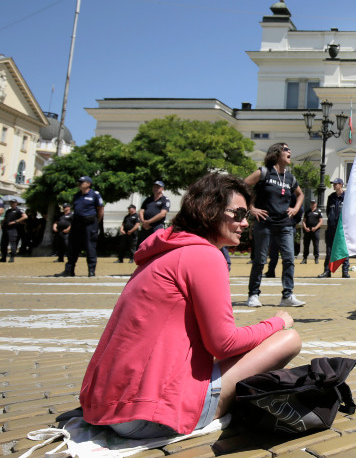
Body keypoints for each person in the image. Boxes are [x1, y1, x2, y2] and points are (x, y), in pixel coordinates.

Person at [79, 172, 302, 439]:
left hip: (108, 406)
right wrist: (277, 322)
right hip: (148, 416)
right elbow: (223, 343)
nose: (245, 223)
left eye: (247, 215)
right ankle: (213, 408)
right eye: (239, 213)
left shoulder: (165, 251)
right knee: (288, 339)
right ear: (211, 210)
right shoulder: (205, 255)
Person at [245, 143, 304, 307]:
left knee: (289, 259)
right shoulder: (263, 172)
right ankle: (253, 295)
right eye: (286, 149)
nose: (289, 151)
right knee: (260, 260)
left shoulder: (290, 178)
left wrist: (296, 208)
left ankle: (287, 295)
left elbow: (300, 195)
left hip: (285, 223)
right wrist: (252, 209)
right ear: (276, 153)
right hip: (264, 223)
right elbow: (243, 186)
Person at [56, 176, 104, 277]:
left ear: (88, 184)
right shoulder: (77, 195)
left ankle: (91, 271)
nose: (80, 184)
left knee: (90, 247)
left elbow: (100, 210)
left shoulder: (95, 195)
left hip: (90, 224)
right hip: (77, 224)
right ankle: (69, 270)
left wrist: (96, 222)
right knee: (72, 247)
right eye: (79, 182)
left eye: (82, 182)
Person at [319, 178, 350, 278]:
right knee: (329, 251)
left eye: (336, 184)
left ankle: (345, 271)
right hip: (331, 228)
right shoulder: (331, 197)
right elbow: (328, 212)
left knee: (344, 250)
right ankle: (327, 271)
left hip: (342, 229)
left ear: (341, 185)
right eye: (333, 184)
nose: (334, 185)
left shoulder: (347, 197)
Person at [138, 181, 171, 248]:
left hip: (157, 226)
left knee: (155, 246)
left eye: (158, 187)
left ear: (162, 189)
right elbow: (141, 211)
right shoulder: (148, 199)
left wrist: (149, 222)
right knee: (143, 246)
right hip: (145, 227)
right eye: (154, 186)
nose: (155, 188)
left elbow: (162, 214)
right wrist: (143, 222)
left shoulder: (165, 200)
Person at [1, 198, 26, 262]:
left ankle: (12, 258)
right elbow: (5, 218)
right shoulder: (8, 211)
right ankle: (3, 257)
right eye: (11, 202)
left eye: (13, 202)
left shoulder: (18, 210)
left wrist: (15, 221)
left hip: (13, 229)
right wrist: (3, 222)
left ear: (16, 203)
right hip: (6, 229)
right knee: (3, 244)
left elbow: (25, 216)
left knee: (13, 244)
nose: (12, 204)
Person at [300, 199, 323, 264]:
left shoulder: (319, 211)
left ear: (316, 204)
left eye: (313, 203)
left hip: (315, 231)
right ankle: (304, 258)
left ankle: (316, 258)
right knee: (306, 245)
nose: (312, 204)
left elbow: (321, 221)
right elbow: (304, 221)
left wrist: (315, 228)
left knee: (316, 245)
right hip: (307, 230)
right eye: (311, 203)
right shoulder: (307, 211)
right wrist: (305, 227)